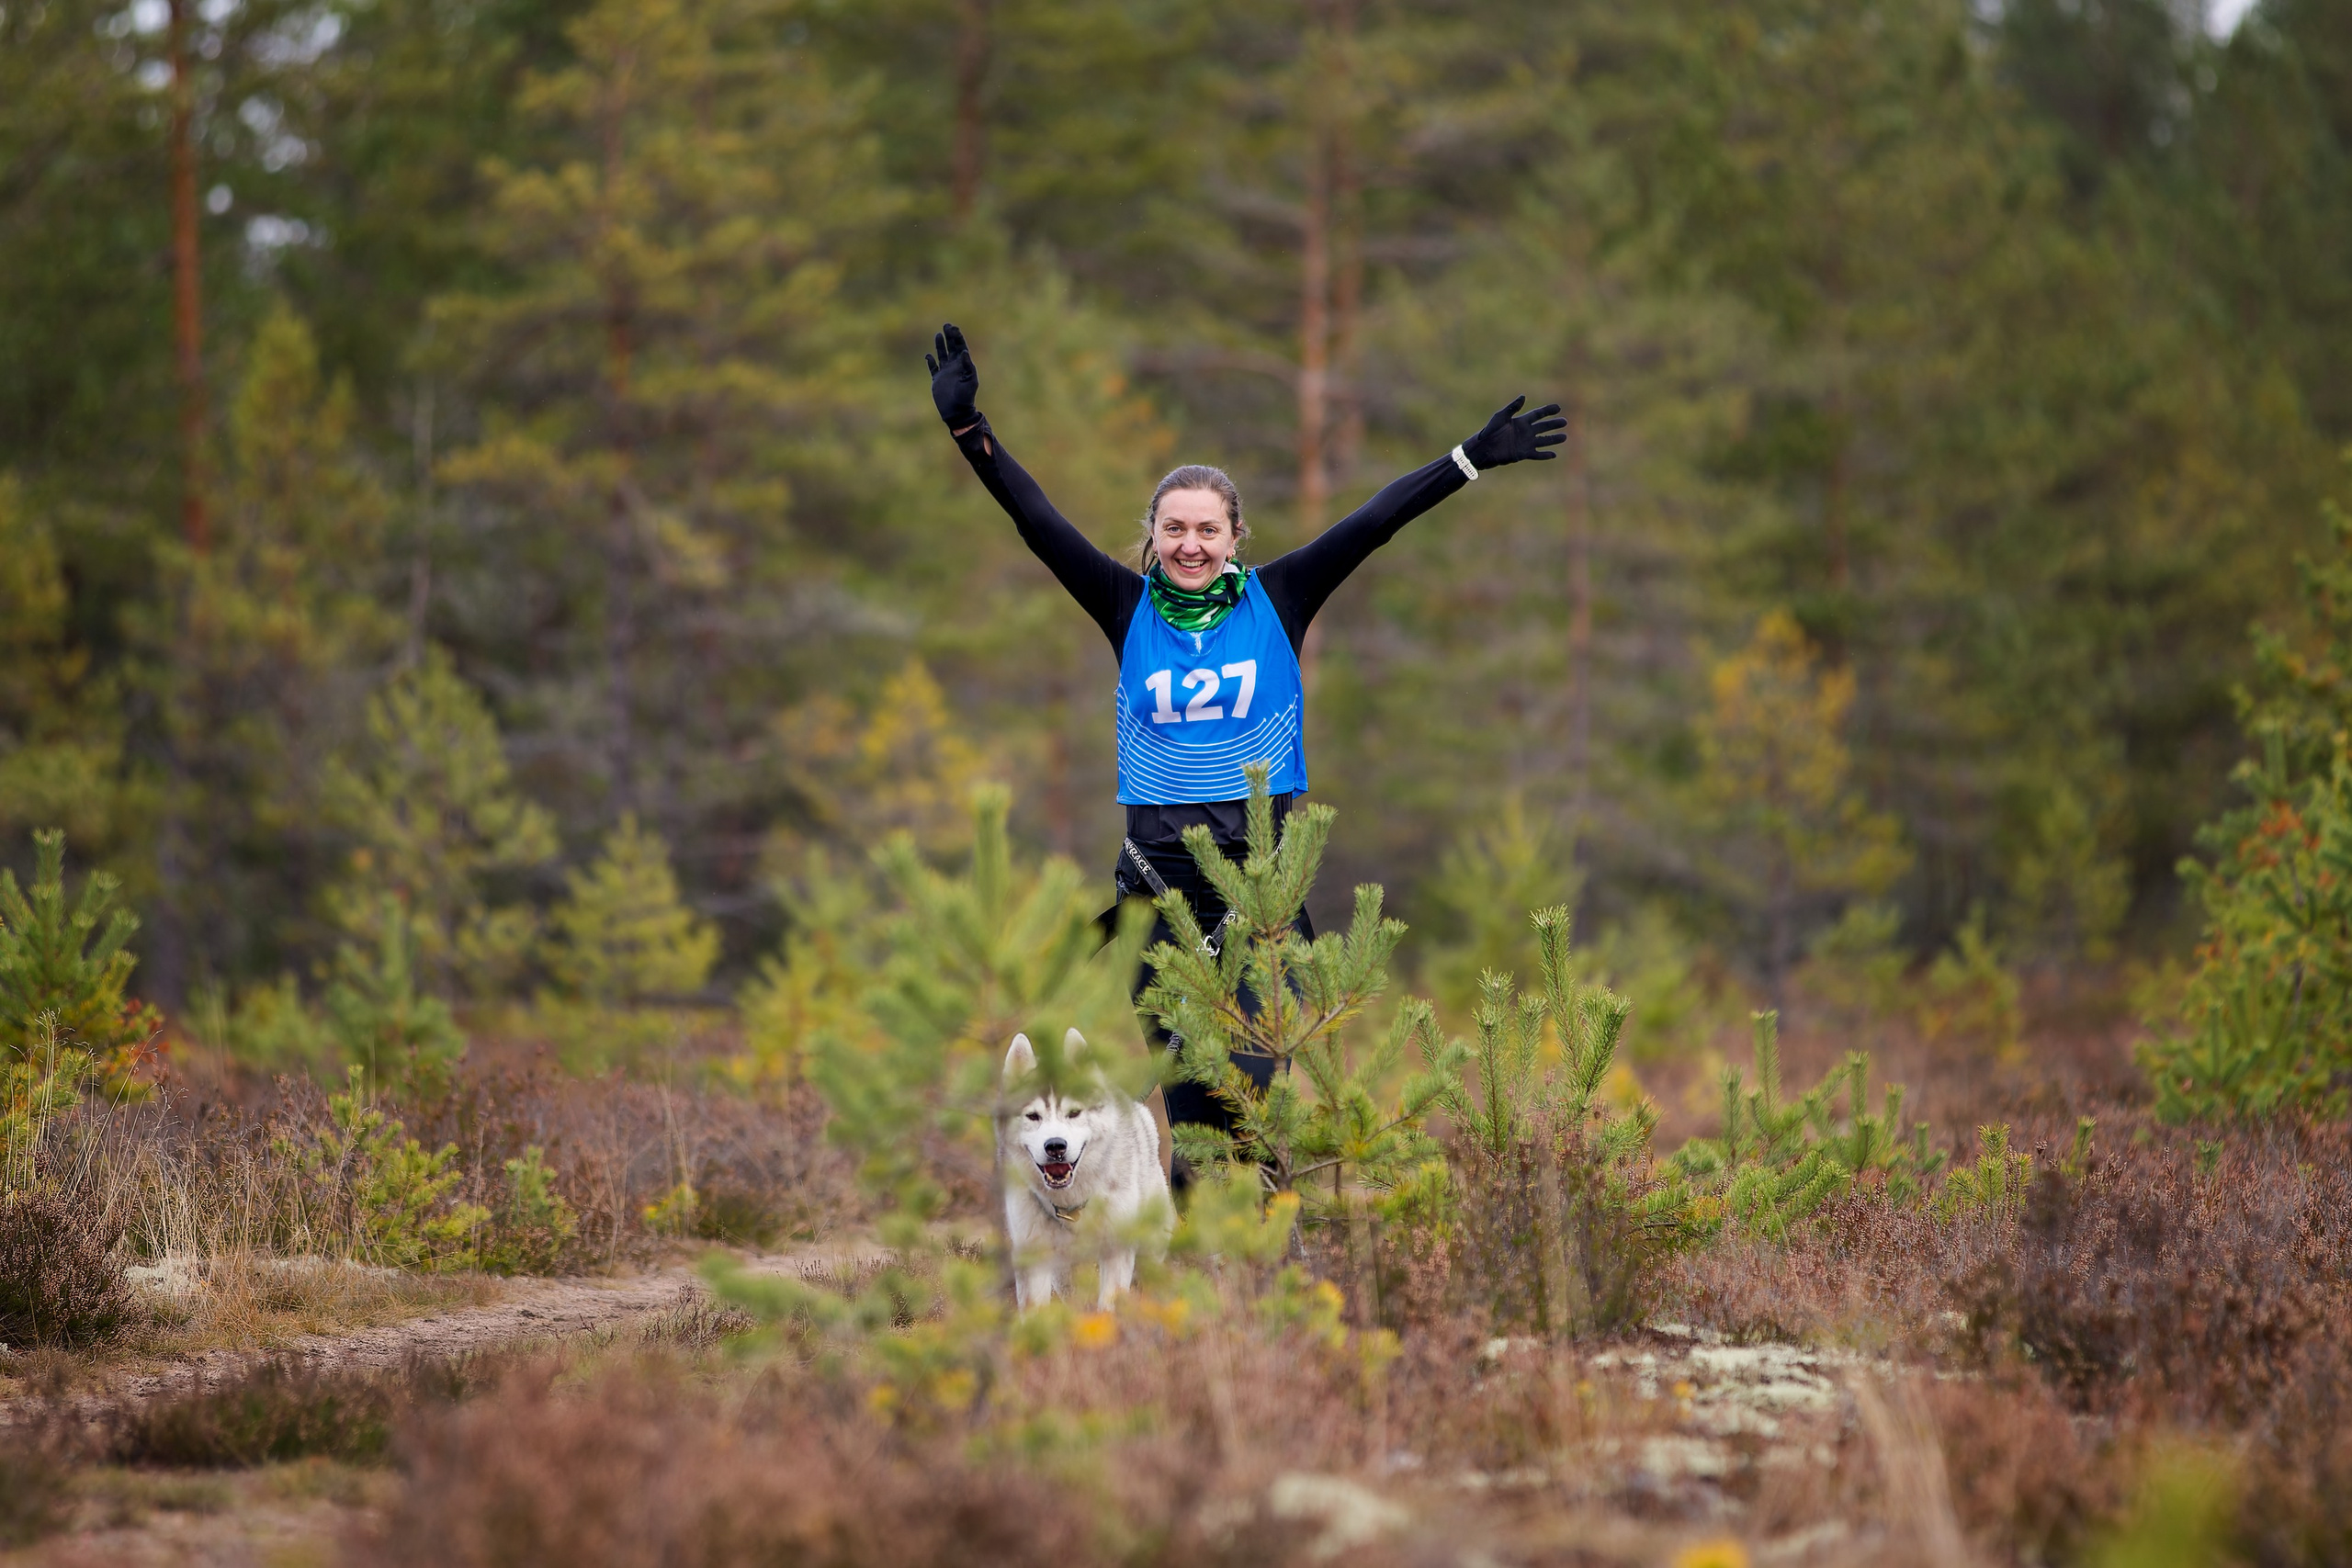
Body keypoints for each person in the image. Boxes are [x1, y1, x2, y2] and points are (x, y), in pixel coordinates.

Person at [925, 321, 1564, 1178]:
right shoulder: (1125, 607)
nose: (1190, 545)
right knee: (1190, 1131)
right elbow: (1037, 523)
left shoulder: (1281, 598)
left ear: (1235, 538)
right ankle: (1201, 1302)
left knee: (1253, 1104)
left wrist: (1468, 458)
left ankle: (1266, 1280)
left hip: (1261, 888)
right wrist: (973, 433)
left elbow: (1373, 521)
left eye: (1207, 529)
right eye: (1174, 528)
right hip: (1157, 897)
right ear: (1152, 537)